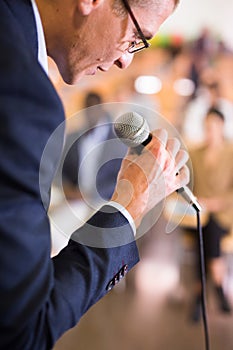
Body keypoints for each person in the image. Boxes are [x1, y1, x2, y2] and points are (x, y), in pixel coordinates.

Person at [0, 1, 189, 349]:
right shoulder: (22, 92)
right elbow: (24, 330)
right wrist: (129, 205)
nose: (125, 60)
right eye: (135, 35)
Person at [188, 108, 233, 322]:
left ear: (222, 127)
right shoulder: (195, 153)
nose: (210, 131)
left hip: (224, 213)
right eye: (207, 126)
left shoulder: (231, 152)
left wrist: (216, 203)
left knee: (209, 232)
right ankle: (218, 286)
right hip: (199, 214)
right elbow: (188, 187)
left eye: (214, 126)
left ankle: (200, 295)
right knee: (204, 229)